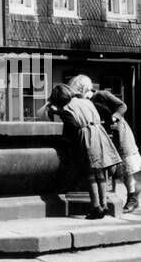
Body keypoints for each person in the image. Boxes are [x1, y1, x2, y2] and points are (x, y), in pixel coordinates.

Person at [68, 75, 141, 214]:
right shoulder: (85, 102)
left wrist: (114, 117)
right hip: (104, 135)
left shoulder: (102, 95)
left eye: (78, 91)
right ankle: (132, 193)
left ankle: (132, 197)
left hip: (120, 133)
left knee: (126, 167)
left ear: (84, 88)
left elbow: (122, 106)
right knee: (117, 170)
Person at [48, 83, 121, 219]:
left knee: (90, 173)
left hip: (87, 137)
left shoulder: (66, 108)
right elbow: (104, 111)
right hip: (100, 134)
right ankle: (104, 204)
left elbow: (72, 127)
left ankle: (95, 206)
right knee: (101, 171)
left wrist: (57, 113)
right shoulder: (86, 101)